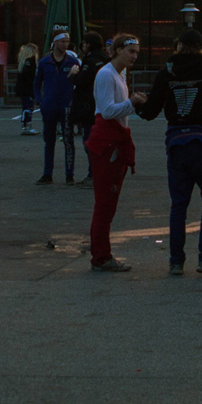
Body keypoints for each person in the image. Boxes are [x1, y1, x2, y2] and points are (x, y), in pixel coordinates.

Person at [137, 28, 202, 276]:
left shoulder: (166, 73)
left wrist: (138, 104)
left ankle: (176, 261)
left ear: (178, 46)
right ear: (200, 47)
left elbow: (150, 111)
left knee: (179, 205)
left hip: (176, 141)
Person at [85, 35, 143, 271]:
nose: (134, 56)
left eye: (136, 52)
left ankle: (102, 254)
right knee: (105, 204)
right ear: (117, 50)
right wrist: (133, 102)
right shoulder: (107, 74)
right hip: (108, 144)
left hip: (112, 142)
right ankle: (101, 256)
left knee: (107, 204)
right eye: (130, 51)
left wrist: (132, 103)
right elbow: (108, 111)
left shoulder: (117, 75)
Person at [36, 31, 84, 183]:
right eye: (62, 41)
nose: (65, 44)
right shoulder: (44, 62)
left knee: (68, 140)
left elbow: (80, 83)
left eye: (67, 41)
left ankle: (69, 174)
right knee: (49, 141)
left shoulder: (73, 62)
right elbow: (37, 83)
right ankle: (47, 173)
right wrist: (40, 100)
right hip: (49, 106)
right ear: (55, 42)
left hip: (67, 106)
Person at [15, 42, 40, 132]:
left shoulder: (23, 61)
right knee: (28, 107)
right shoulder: (30, 61)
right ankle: (27, 125)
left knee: (26, 107)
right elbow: (30, 77)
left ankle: (25, 125)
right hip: (27, 88)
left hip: (22, 88)